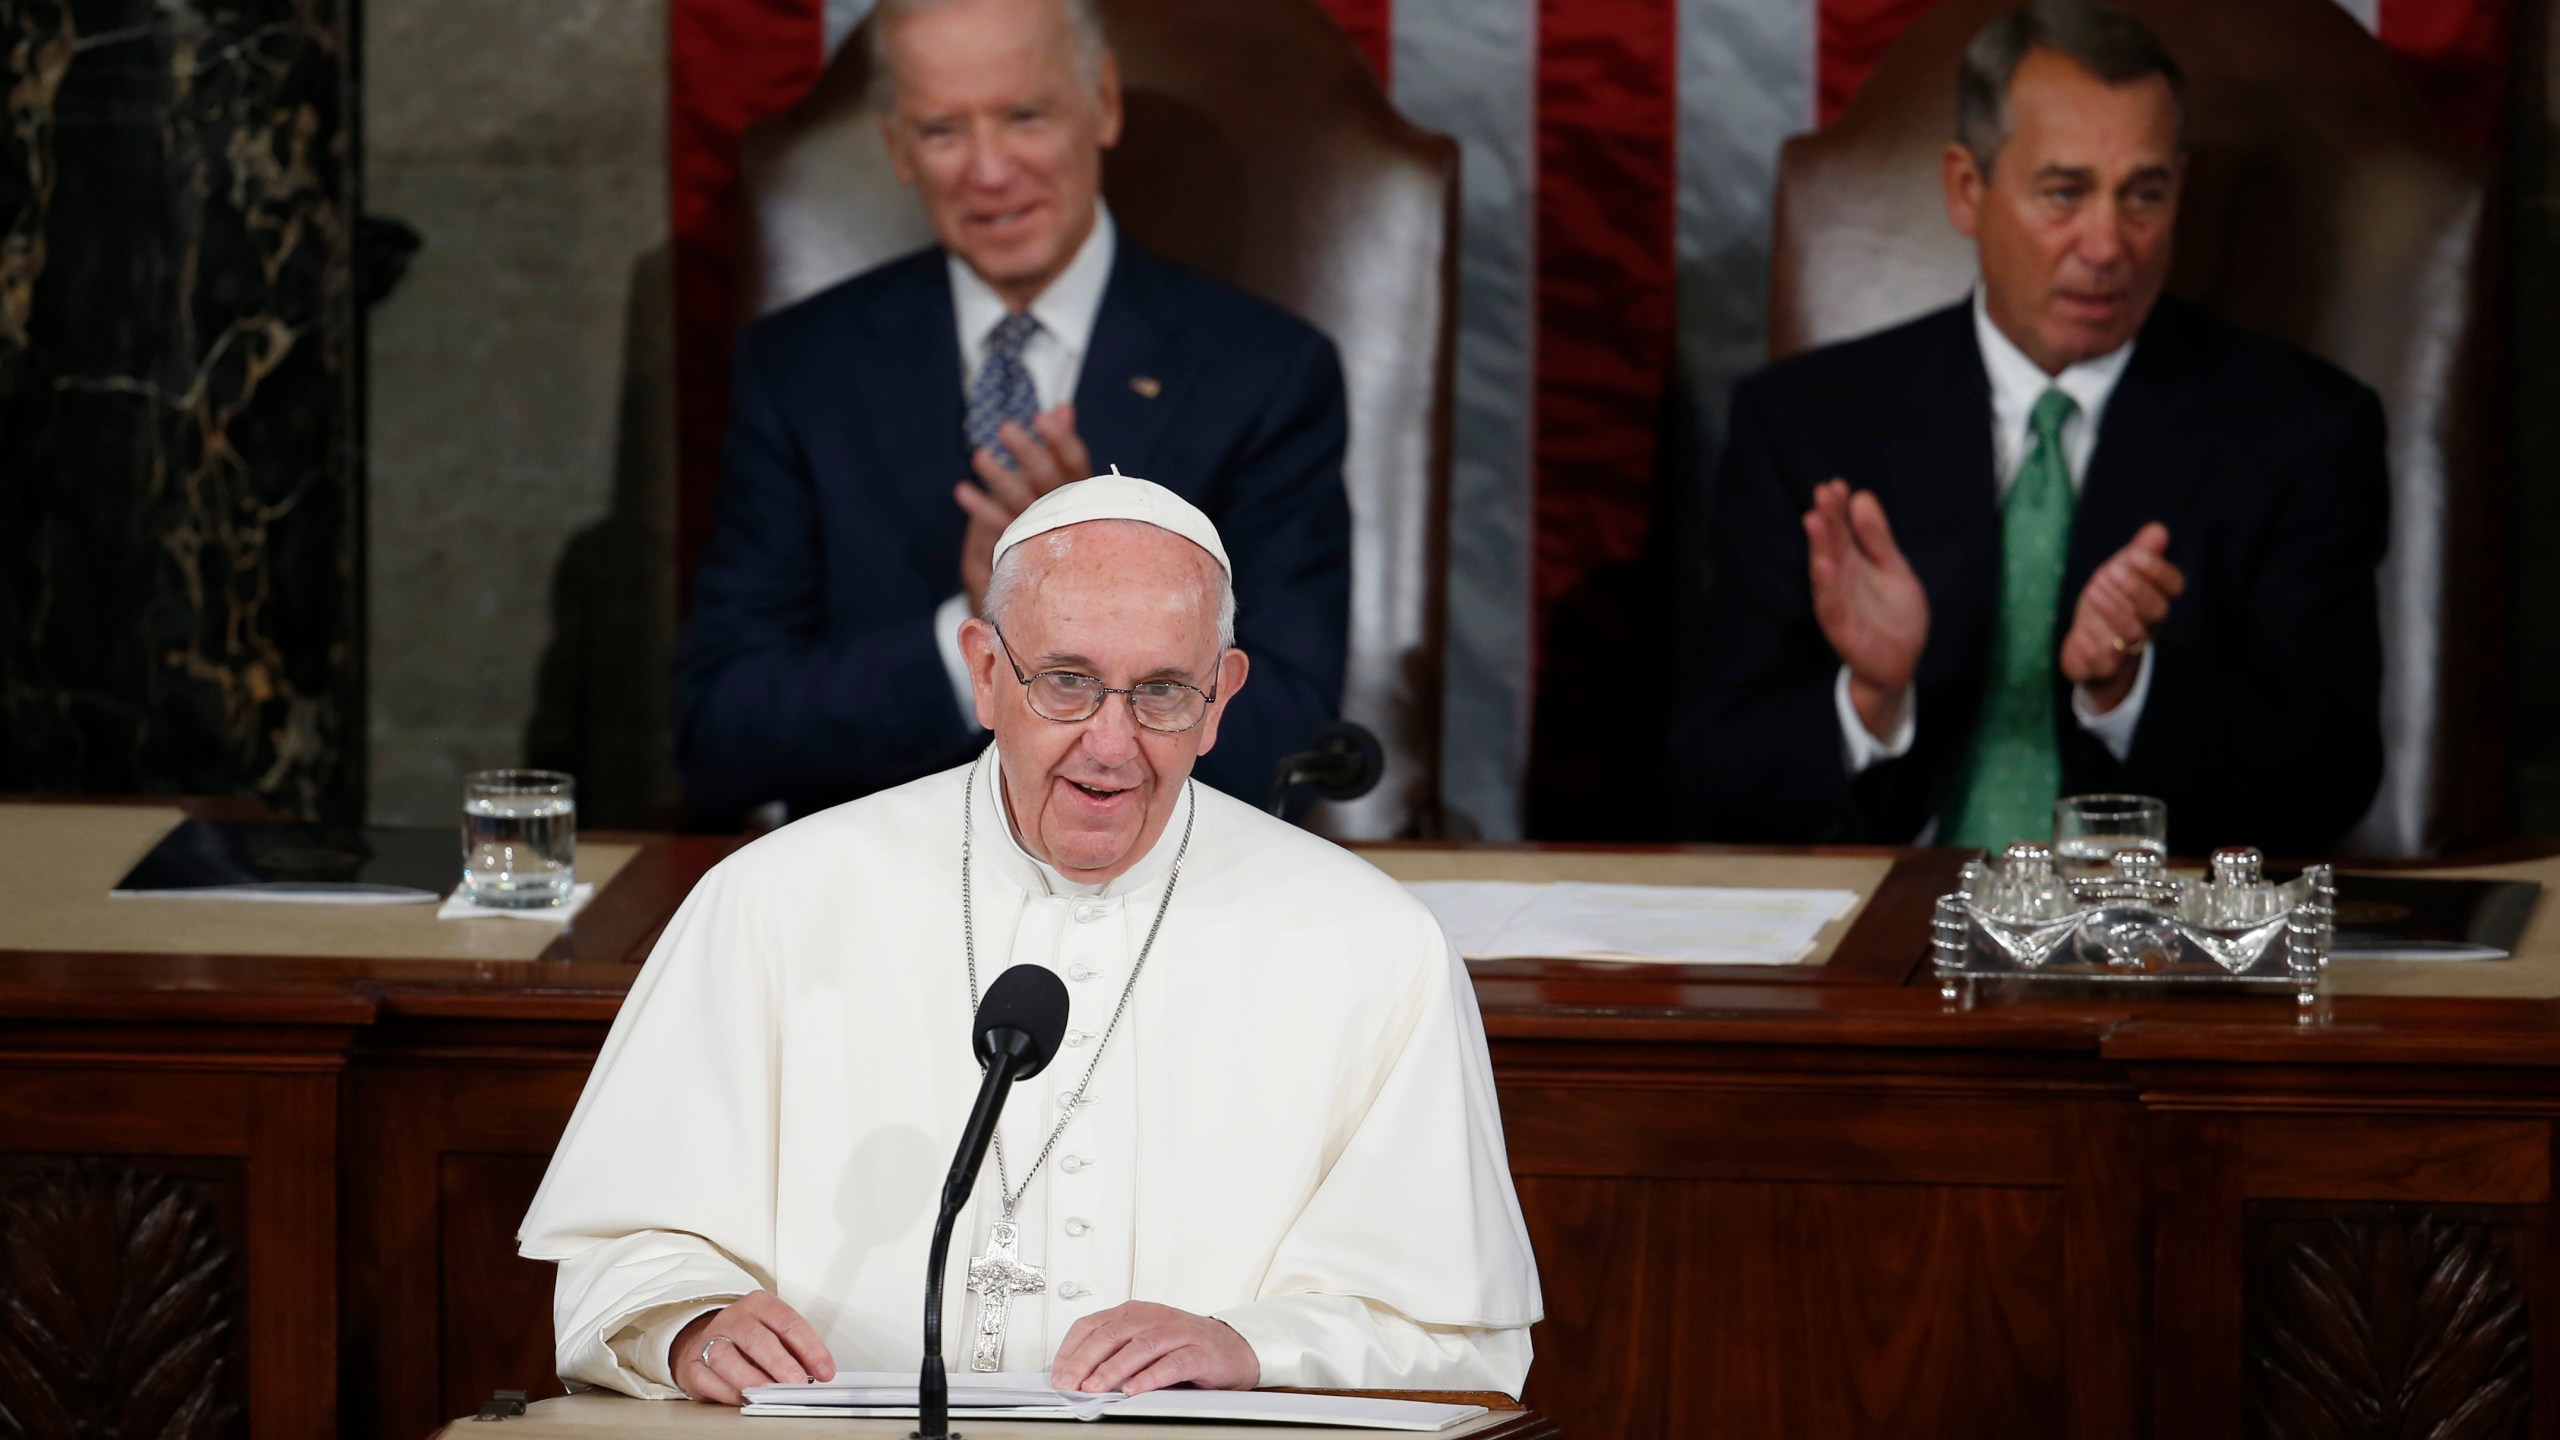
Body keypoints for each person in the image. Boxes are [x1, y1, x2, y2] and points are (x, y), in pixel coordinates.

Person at [522, 474, 1540, 1403]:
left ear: (1221, 698)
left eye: (1161, 693)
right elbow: (621, 1249)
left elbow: (1461, 1337)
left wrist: (1248, 1345)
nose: (1110, 743)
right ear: (983, 672)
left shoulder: (1369, 945)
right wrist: (691, 1325)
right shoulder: (772, 900)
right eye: (1065, 682)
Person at [1670, 0, 2386, 856]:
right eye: (2064, 192)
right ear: (1967, 190)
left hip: (2151, 949)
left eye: (2144, 196)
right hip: (1884, 938)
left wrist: (2128, 692)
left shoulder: (2302, 430)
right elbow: (1711, 776)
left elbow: (2332, 778)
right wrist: (1869, 697)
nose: (2107, 244)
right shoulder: (1806, 423)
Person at [675, 0, 1351, 820]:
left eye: (1024, 116)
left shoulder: (1265, 375)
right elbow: (720, 729)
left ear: (1102, 104)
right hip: (882, 884)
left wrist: (1094, 594)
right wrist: (969, 631)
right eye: (942, 131)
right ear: (897, 147)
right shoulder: (801, 369)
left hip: (1162, 891)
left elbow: (1291, 735)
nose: (989, 171)